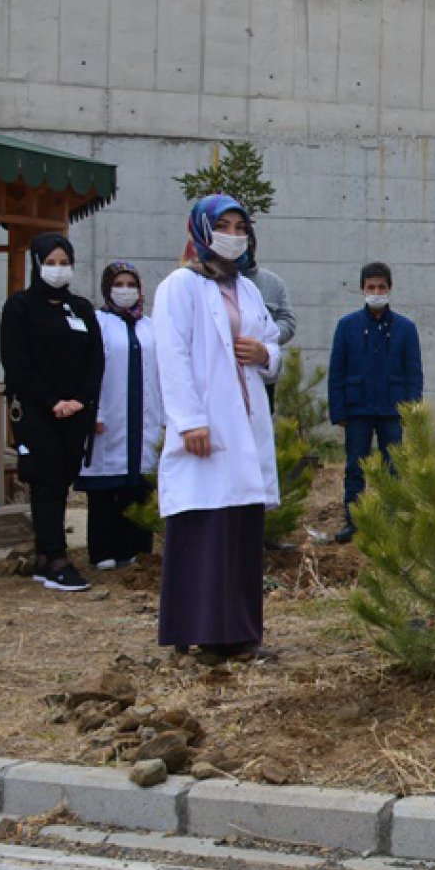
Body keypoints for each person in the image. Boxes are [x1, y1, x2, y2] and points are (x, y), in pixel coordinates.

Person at [152, 195, 282, 660]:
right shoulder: (179, 286)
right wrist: (189, 421)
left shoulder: (245, 288)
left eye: (239, 225)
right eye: (223, 225)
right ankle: (202, 632)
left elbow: (269, 341)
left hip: (245, 423)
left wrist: (266, 355)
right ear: (202, 231)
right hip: (206, 424)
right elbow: (172, 355)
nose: (233, 233)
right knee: (205, 525)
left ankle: (240, 633)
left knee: (241, 526)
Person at [0, 233, 105, 593]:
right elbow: (16, 362)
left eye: (64, 262)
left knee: (62, 481)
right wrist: (51, 401)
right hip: (37, 410)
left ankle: (46, 556)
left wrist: (81, 400)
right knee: (45, 480)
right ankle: (57, 559)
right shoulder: (20, 307)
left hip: (75, 410)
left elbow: (96, 359)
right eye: (50, 262)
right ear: (36, 263)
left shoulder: (81, 308)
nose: (57, 269)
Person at [328, 262, 424, 544]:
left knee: (394, 466)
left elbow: (414, 372)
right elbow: (337, 371)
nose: (377, 292)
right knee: (355, 466)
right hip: (358, 409)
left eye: (381, 287)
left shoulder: (406, 328)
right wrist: (339, 411)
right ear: (362, 289)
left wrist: (412, 409)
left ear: (390, 288)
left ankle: (393, 520)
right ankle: (354, 520)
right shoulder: (347, 326)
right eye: (371, 287)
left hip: (392, 410)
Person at [76, 262, 163, 570]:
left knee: (139, 486)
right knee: (105, 490)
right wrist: (93, 411)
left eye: (131, 284)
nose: (125, 289)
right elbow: (87, 370)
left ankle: (137, 550)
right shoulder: (97, 323)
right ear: (107, 287)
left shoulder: (151, 326)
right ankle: (103, 551)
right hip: (108, 417)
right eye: (119, 283)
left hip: (146, 418)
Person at [238, 229, 295, 412]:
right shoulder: (210, 283)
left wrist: (264, 340)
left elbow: (288, 321)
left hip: (262, 376)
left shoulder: (273, 283)